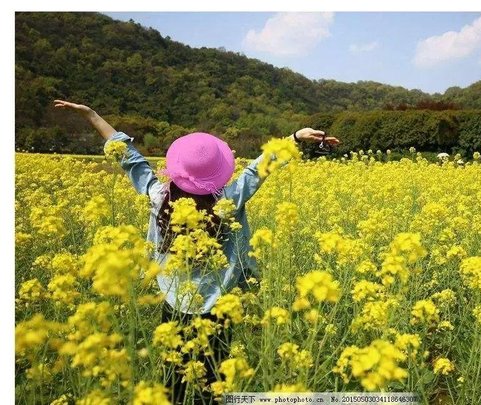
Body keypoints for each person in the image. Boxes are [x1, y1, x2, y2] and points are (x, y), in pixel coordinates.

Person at [53, 99, 340, 404]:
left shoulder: (159, 197)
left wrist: (93, 115)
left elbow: (131, 160)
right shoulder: (228, 200)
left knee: (171, 380)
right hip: (220, 306)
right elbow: (259, 169)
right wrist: (294, 138)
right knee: (213, 381)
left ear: (177, 170)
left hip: (175, 302)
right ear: (218, 172)